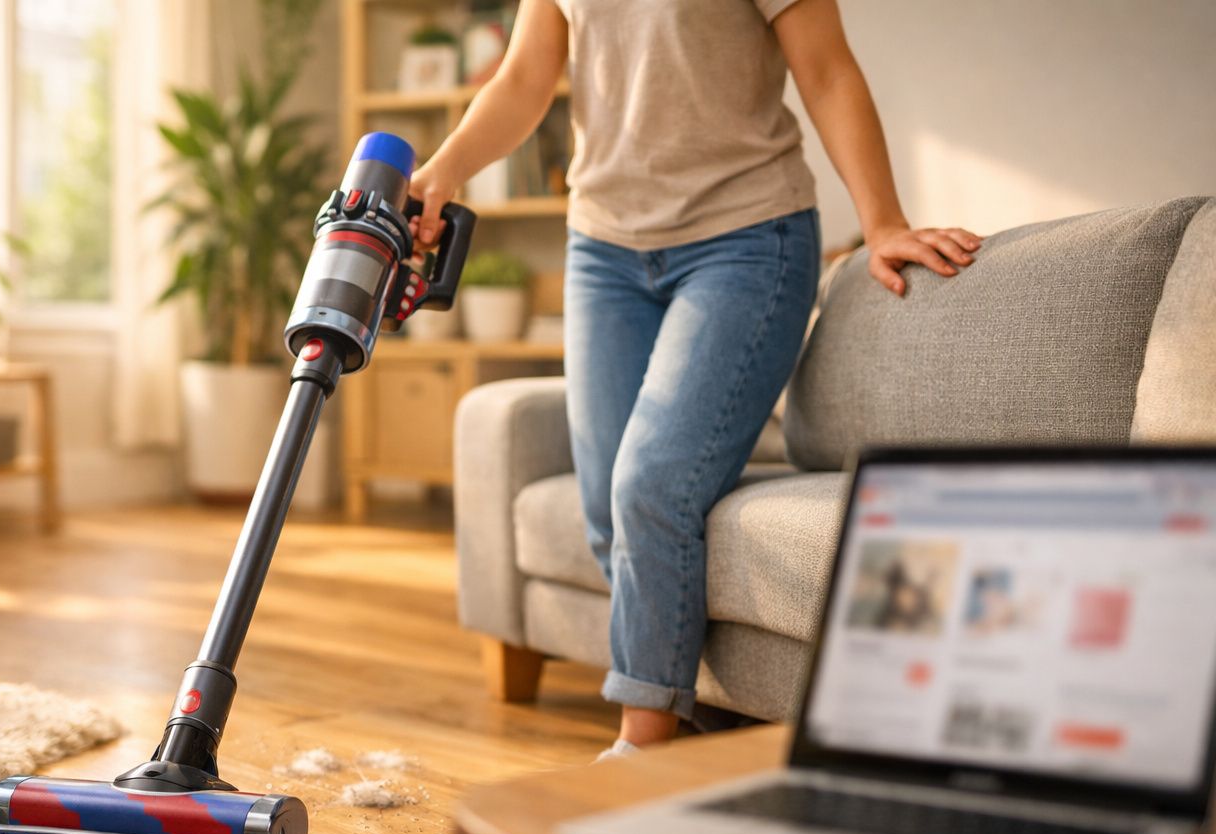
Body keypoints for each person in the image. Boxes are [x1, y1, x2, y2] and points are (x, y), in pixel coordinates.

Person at [411, 0, 981, 757]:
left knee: (652, 483)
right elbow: (523, 79)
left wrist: (882, 224)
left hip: (747, 240)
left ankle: (642, 749)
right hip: (604, 249)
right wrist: (445, 168)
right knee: (607, 510)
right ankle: (704, 718)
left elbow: (828, 71)